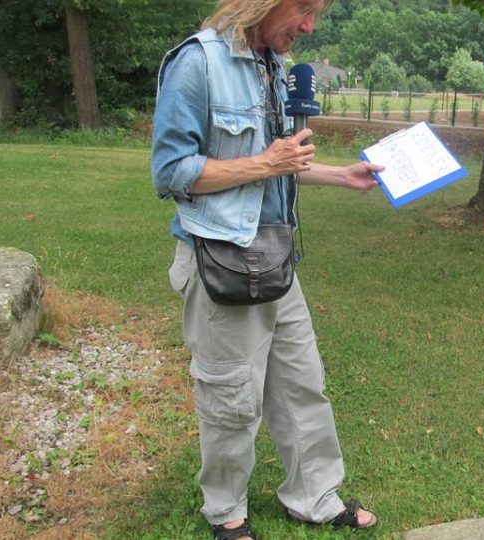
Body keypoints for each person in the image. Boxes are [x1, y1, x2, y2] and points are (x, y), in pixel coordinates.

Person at [150, 1, 383, 539]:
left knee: (303, 383)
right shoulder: (198, 63)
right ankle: (226, 510)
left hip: (276, 256)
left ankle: (315, 496)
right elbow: (171, 172)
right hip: (223, 260)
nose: (309, 26)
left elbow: (277, 165)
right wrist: (267, 162)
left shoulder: (270, 64)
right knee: (232, 395)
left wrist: (338, 175)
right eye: (303, 9)